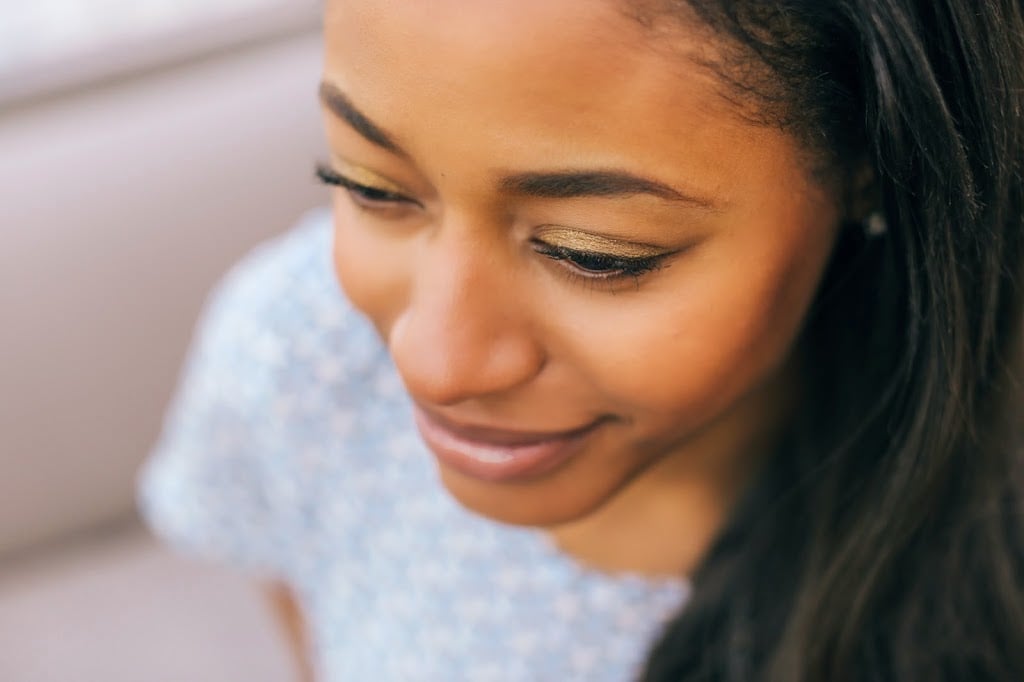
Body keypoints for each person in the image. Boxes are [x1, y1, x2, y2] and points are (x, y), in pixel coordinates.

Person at [138, 1, 1024, 680]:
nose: (431, 360)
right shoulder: (299, 357)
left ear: (870, 170)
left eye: (593, 254)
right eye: (370, 186)